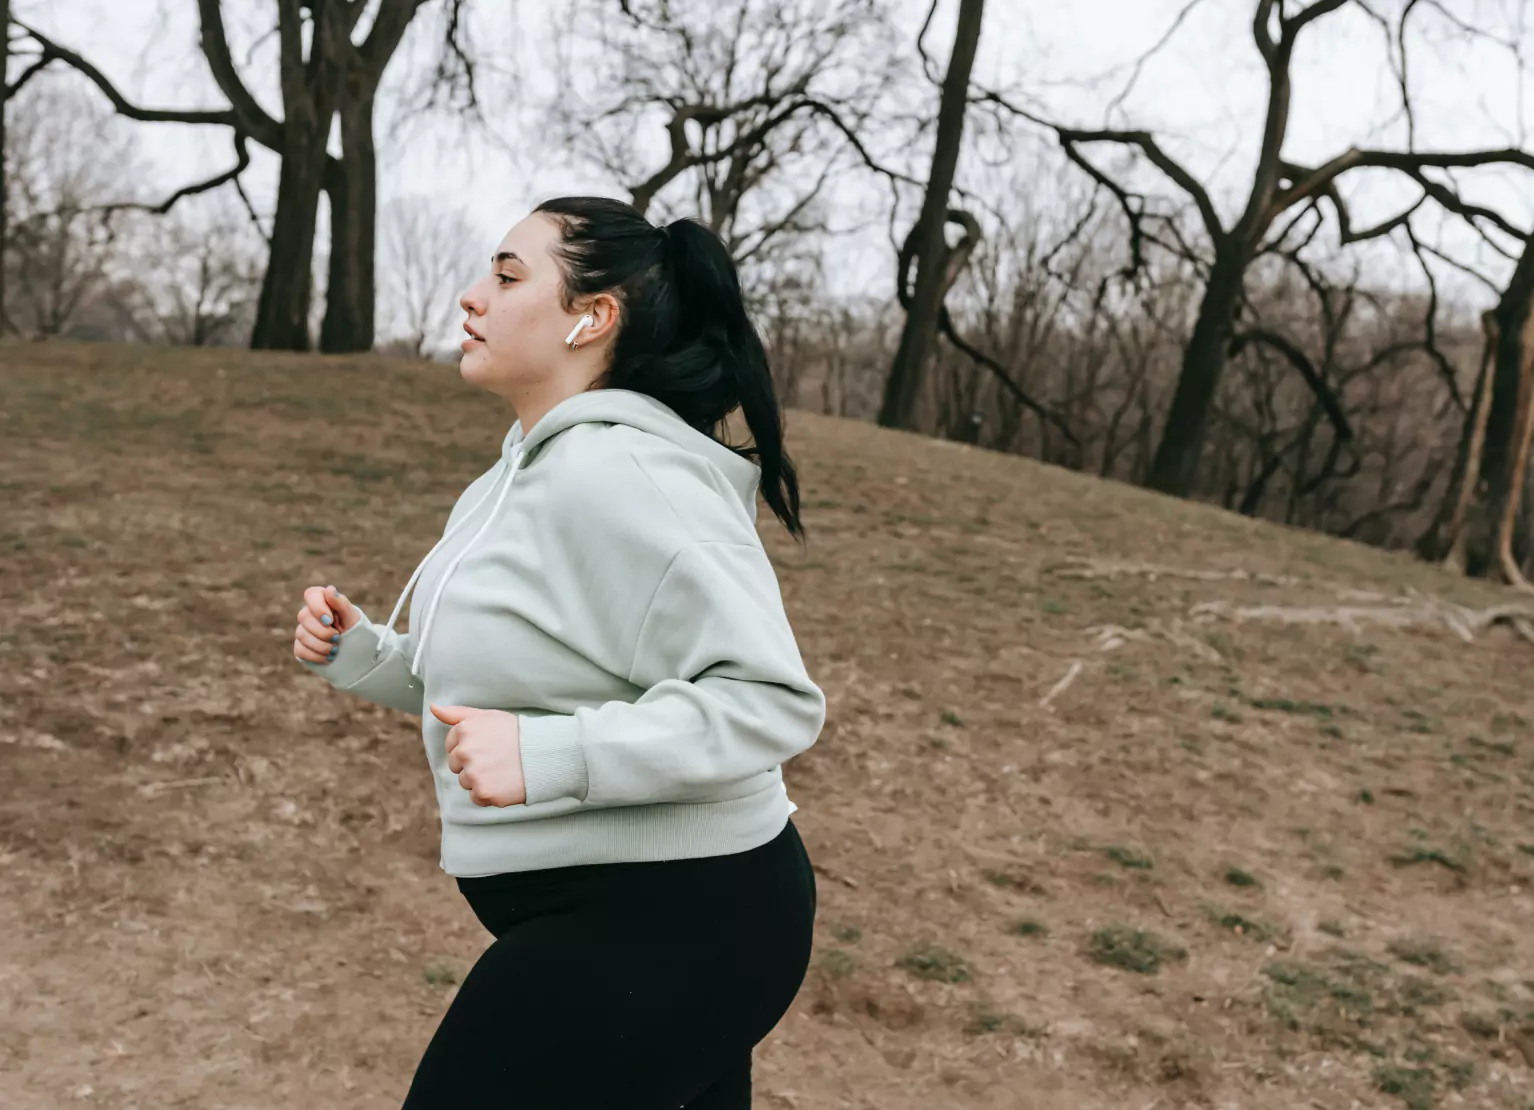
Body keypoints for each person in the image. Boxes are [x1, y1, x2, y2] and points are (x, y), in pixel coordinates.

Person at [290, 196, 825, 1109]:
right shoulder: (521, 470)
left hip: (682, 915)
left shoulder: (628, 475)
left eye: (506, 277)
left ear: (594, 316)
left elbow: (770, 700)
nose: (472, 296)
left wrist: (553, 755)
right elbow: (517, 680)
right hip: (620, 911)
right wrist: (365, 654)